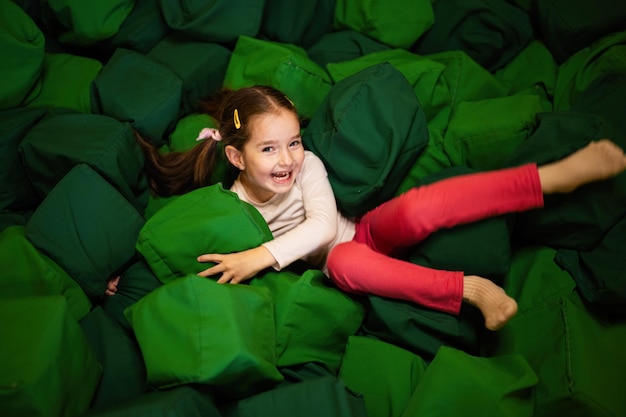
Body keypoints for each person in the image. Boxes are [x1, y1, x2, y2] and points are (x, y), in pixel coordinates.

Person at [135, 85, 626, 331]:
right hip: (340, 263)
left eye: (294, 142)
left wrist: (261, 256)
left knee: (414, 210)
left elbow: (326, 224)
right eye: (269, 150)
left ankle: (546, 178)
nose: (287, 159)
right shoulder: (233, 205)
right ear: (236, 158)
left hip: (363, 230)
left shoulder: (308, 168)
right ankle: (469, 291)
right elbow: (180, 236)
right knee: (344, 262)